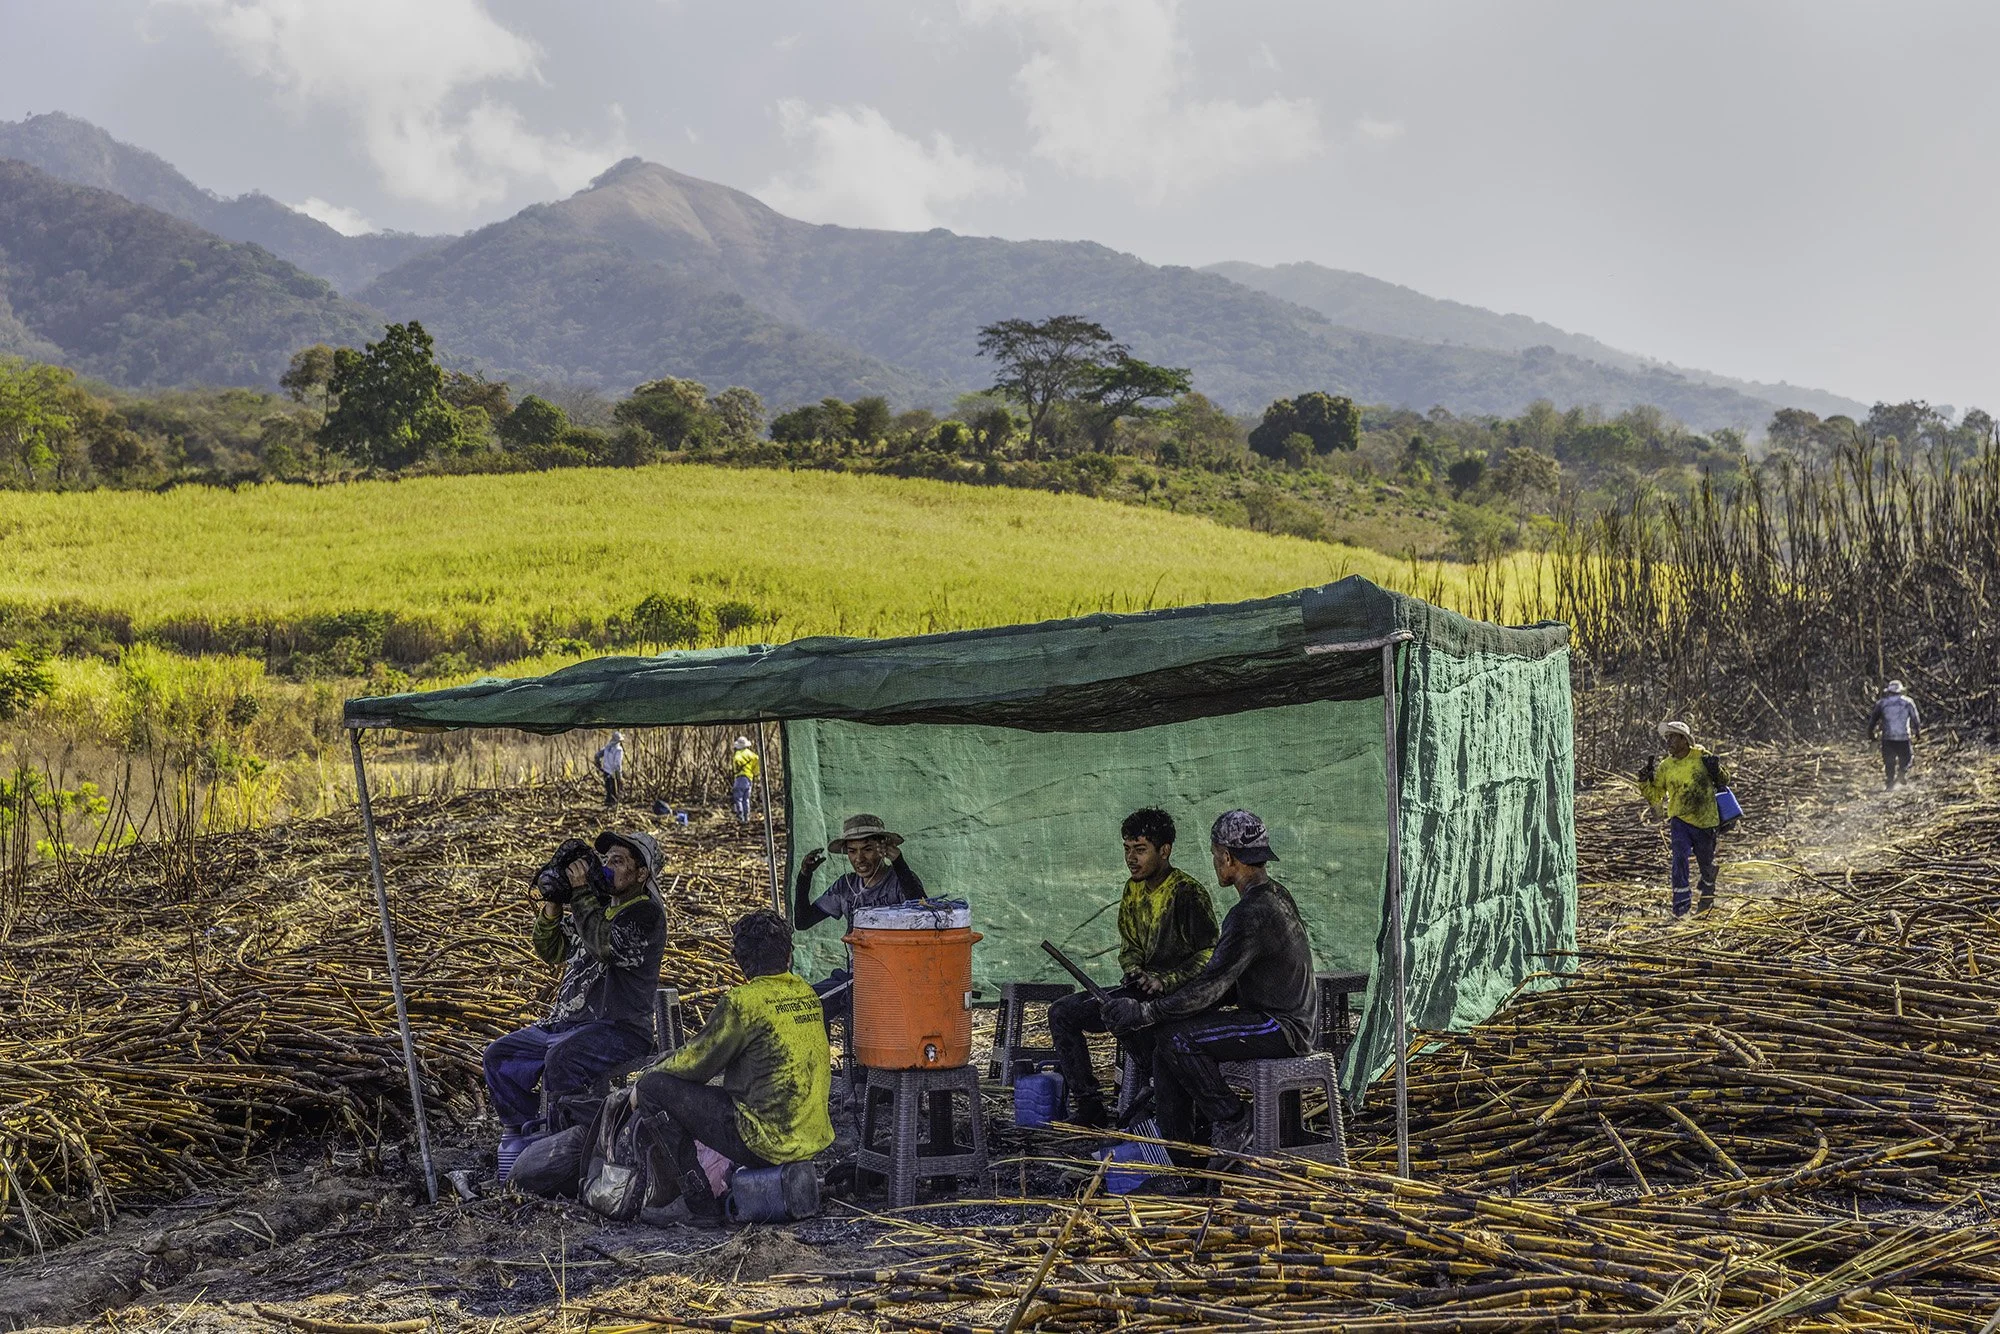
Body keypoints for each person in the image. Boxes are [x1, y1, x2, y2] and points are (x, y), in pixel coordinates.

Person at [1104, 810, 1317, 1164]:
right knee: (1166, 1045)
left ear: (1229, 858)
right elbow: (1224, 982)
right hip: (1279, 1018)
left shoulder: (1251, 912)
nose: (1216, 863)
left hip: (1282, 1027)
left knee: (1176, 1039)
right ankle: (1184, 1160)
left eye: (1216, 856)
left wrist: (1146, 1011)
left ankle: (1234, 1120)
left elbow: (1212, 985)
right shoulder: (1273, 895)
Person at [634, 910, 833, 1224]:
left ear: (740, 959)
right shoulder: (805, 992)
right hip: (810, 1136)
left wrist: (654, 1070)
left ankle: (698, 1203)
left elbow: (697, 1064)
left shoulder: (744, 1002)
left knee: (652, 1089)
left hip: (766, 1140)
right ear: (788, 954)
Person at [484, 831, 668, 1165]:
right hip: (568, 1025)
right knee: (499, 1057)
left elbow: (605, 947)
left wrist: (582, 893)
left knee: (562, 1061)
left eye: (619, 861)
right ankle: (527, 1133)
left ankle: (564, 1151)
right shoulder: (596, 911)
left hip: (620, 1030)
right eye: (606, 859)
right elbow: (551, 949)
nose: (608, 866)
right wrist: (554, 902)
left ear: (642, 874)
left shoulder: (646, 915)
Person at [1048, 809, 1219, 1129]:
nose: (1131, 858)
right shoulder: (1133, 889)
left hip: (1178, 999)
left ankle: (1168, 1103)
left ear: (1164, 850)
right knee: (1062, 1012)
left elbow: (1209, 954)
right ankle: (1090, 1106)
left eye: (1140, 849)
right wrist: (1134, 969)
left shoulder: (1187, 892)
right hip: (1140, 992)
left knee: (1131, 1019)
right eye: (1127, 848)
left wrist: (1164, 981)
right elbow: (1129, 948)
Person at [792, 814, 927, 1027]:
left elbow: (924, 914)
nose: (859, 859)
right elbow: (803, 921)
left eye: (867, 849)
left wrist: (899, 862)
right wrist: (804, 877)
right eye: (852, 851)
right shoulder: (845, 887)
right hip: (856, 975)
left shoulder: (899, 881)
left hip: (897, 975)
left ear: (883, 850)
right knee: (808, 1005)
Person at [1638, 720, 1725, 916]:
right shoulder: (1666, 766)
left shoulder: (1701, 756)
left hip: (1705, 821)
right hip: (1680, 821)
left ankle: (1708, 889)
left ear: (1684, 740)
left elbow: (1724, 780)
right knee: (1679, 858)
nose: (1668, 741)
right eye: (1667, 737)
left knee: (1706, 864)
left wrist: (1715, 770)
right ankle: (1681, 908)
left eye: (1672, 737)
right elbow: (1656, 796)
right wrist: (1644, 782)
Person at [1869, 681, 1922, 790]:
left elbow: (1873, 720)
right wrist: (1917, 732)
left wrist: (1871, 734)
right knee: (1907, 758)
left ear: (1889, 692)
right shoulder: (1908, 702)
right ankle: (1902, 772)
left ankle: (1889, 782)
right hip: (1903, 736)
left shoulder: (1882, 703)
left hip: (1888, 737)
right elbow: (1915, 719)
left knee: (1889, 761)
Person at [730, 735, 760, 823]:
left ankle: (740, 816)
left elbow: (737, 760)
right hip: (749, 778)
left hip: (740, 777)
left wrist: (737, 767)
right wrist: (755, 772)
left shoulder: (738, 754)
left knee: (738, 797)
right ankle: (747, 817)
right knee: (746, 798)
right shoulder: (751, 754)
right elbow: (757, 760)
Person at [595, 731, 625, 808]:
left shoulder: (607, 747)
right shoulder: (619, 750)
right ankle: (614, 806)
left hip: (606, 771)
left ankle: (608, 804)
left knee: (609, 790)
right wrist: (619, 776)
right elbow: (617, 764)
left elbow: (597, 755)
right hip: (614, 772)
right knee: (616, 790)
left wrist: (598, 764)